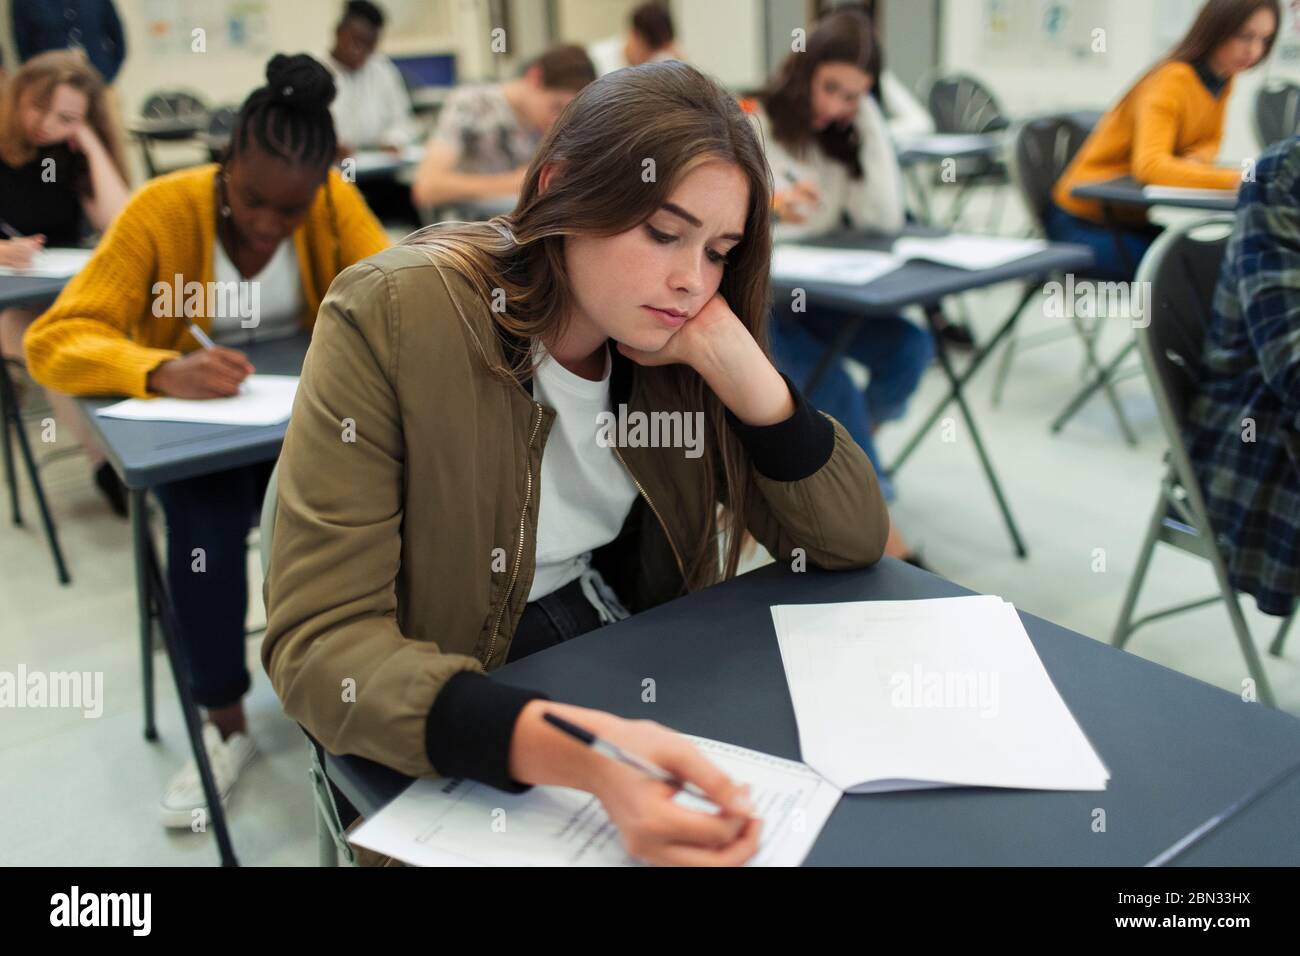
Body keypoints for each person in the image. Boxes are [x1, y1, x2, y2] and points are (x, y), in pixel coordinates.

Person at [263, 61, 890, 867]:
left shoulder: (676, 341)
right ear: (561, 187)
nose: (690, 280)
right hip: (447, 674)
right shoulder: (396, 314)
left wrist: (748, 376)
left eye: (719, 251)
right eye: (664, 234)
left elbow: (850, 539)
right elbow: (320, 646)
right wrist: (573, 753)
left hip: (605, 635)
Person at [23, 54, 390, 829]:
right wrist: (157, 369)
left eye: (286, 212)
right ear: (224, 167)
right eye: (252, 199)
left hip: (307, 420)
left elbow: (394, 295)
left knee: (383, 516)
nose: (266, 223)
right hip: (204, 436)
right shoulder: (164, 208)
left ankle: (368, 699)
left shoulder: (327, 202)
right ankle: (224, 722)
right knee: (207, 534)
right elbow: (56, 339)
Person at [746, 9, 932, 561]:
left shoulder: (848, 133)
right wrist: (775, 206)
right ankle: (879, 529)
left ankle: (846, 457)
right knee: (840, 389)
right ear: (805, 71)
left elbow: (883, 218)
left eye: (854, 96)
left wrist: (870, 123)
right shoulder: (755, 118)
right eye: (831, 88)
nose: (835, 107)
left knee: (911, 347)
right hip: (763, 301)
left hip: (822, 293)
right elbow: (723, 214)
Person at [1049, 0, 1278, 279]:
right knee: (1195, 275)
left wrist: (1196, 161)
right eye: (1245, 36)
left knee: (1225, 261)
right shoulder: (1171, 80)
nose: (1254, 50)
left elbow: (1209, 141)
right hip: (1081, 222)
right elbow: (1151, 166)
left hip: (1130, 221)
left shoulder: (1223, 79)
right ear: (1217, 28)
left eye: (1264, 40)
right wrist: (1236, 180)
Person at [0, 49, 130, 514]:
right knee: (48, 344)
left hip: (71, 294)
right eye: (39, 107)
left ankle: (138, 448)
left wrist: (90, 142)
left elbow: (122, 225)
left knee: (115, 335)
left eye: (66, 117)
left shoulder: (70, 154)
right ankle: (107, 464)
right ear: (20, 96)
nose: (46, 124)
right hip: (12, 307)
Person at [1184, 134, 1300, 620]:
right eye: (1244, 46)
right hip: (1260, 422)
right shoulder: (1282, 176)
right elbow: (1292, 371)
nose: (1250, 52)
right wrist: (1223, 174)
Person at [410, 44, 596, 211]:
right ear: (535, 77)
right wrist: (510, 184)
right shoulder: (472, 104)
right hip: (471, 232)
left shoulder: (554, 124)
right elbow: (427, 187)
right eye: (555, 106)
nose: (557, 120)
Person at [325, 0, 419, 152]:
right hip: (332, 167)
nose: (361, 51)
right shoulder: (316, 71)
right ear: (339, 32)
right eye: (356, 41)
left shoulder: (382, 70)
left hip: (377, 168)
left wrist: (393, 140)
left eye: (369, 45)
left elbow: (404, 121)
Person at [11, 0, 126, 85]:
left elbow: (117, 36)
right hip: (53, 90)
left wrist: (108, 74)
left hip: (100, 86)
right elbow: (25, 53)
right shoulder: (23, 3)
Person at [587, 1, 681, 77]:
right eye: (647, 49)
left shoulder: (662, 61)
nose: (649, 57)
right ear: (634, 33)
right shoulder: (596, 58)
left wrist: (679, 57)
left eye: (654, 52)